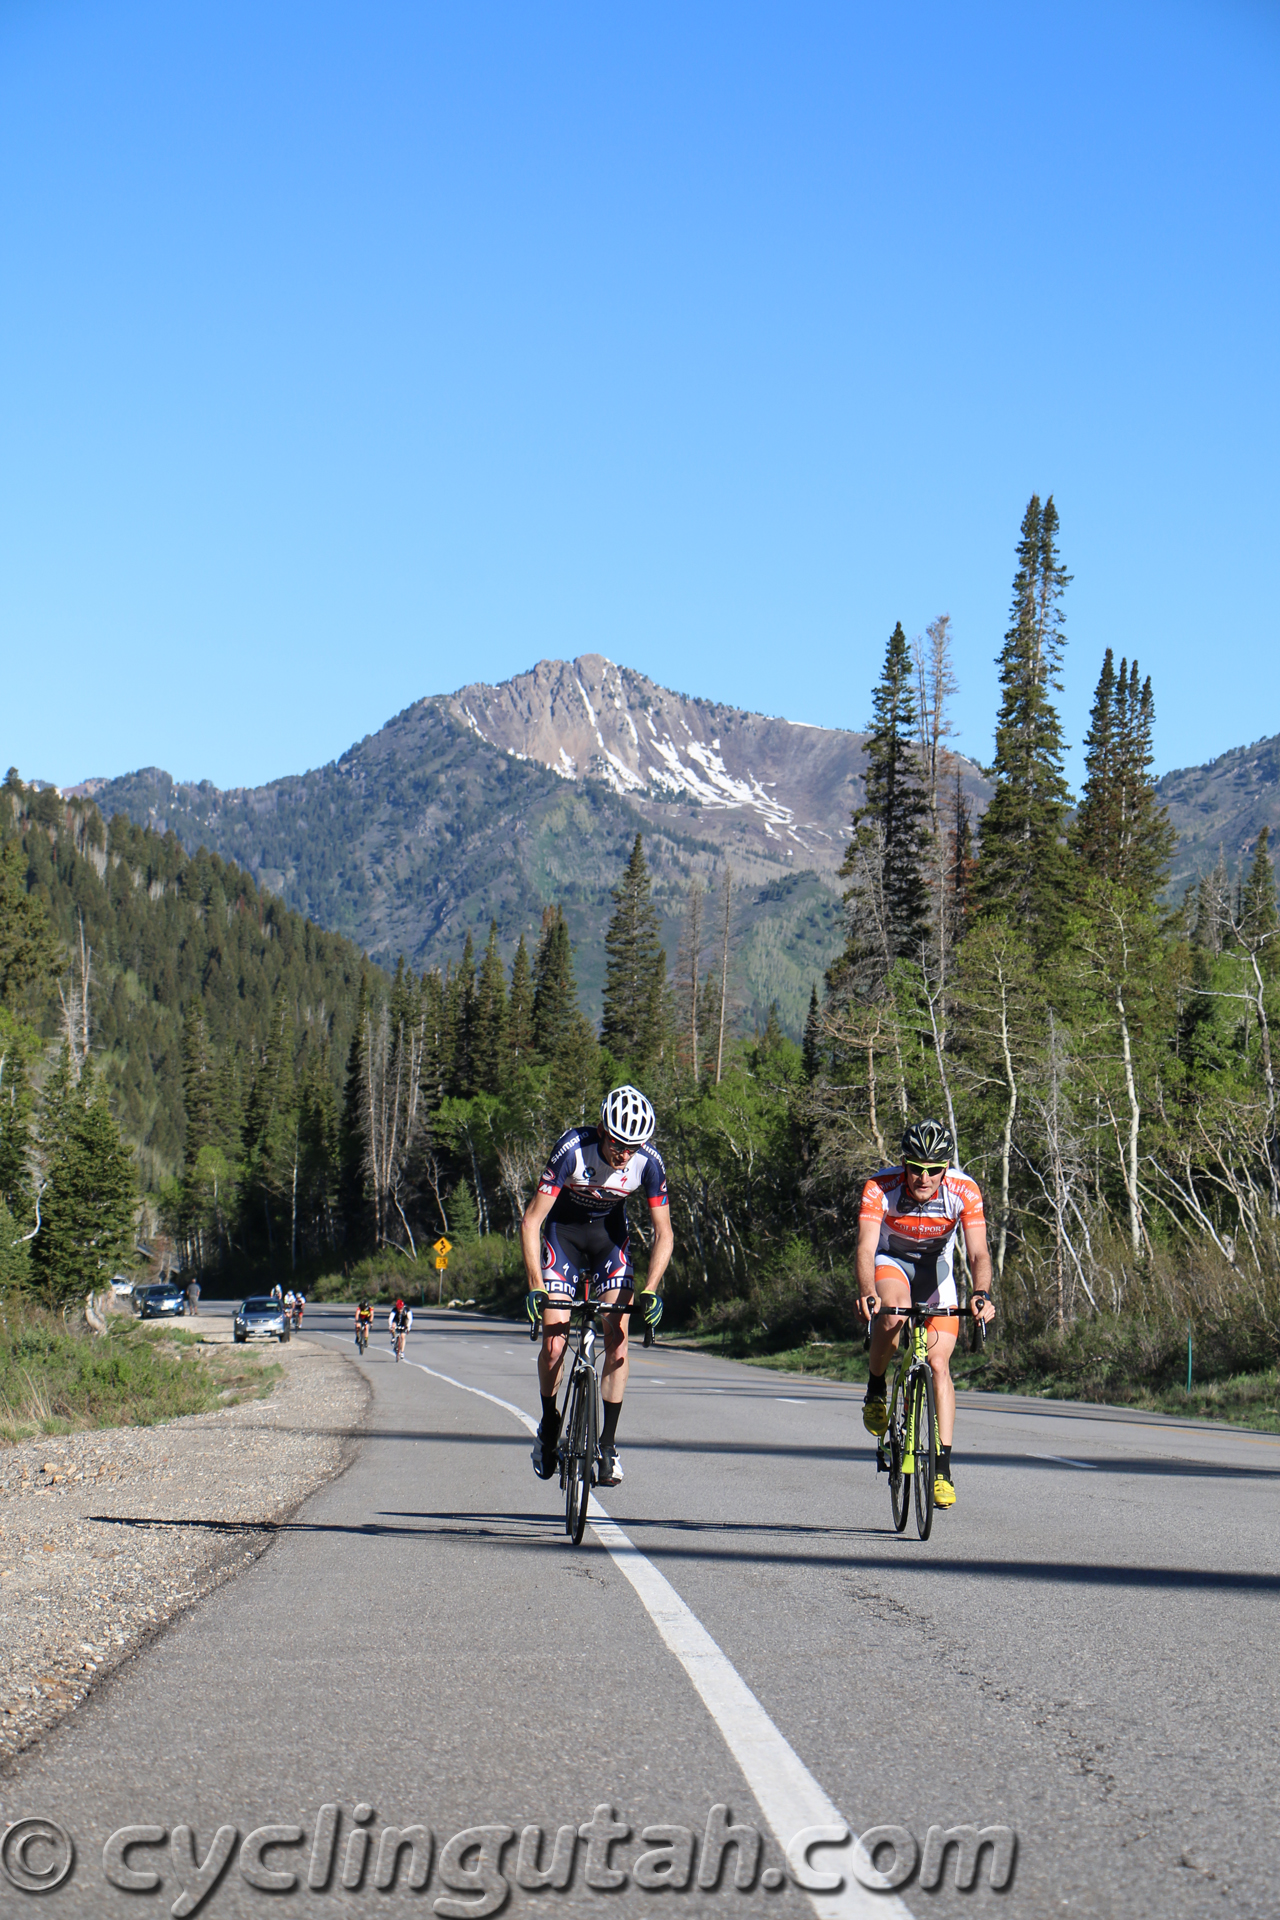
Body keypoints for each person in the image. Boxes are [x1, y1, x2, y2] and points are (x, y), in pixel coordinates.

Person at [522, 1084, 672, 1489]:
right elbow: (532, 1221)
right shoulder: (571, 1148)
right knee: (554, 1343)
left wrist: (652, 1289)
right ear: (603, 1131)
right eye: (619, 1144)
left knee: (617, 1336)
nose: (625, 1154)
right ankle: (550, 1422)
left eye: (633, 1146)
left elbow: (664, 1233)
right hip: (563, 1238)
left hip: (608, 1241)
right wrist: (537, 1285)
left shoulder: (649, 1162)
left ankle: (607, 1444)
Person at [857, 1118, 996, 1510]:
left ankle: (942, 1470)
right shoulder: (879, 1187)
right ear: (904, 1164)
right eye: (916, 1168)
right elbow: (866, 1248)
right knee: (893, 1315)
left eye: (934, 1169)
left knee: (939, 1365)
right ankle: (876, 1387)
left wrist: (981, 1293)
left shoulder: (963, 1190)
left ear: (946, 1168)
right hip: (892, 1263)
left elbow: (978, 1253)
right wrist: (868, 1292)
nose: (924, 1177)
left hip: (937, 1270)